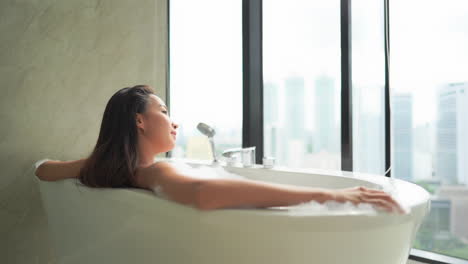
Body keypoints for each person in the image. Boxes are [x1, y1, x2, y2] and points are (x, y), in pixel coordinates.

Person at [35, 85, 405, 214]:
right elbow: (204, 193)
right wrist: (328, 194)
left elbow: (44, 169)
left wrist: (88, 162)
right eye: (164, 112)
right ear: (139, 121)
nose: (174, 121)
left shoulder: (102, 169)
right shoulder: (153, 170)